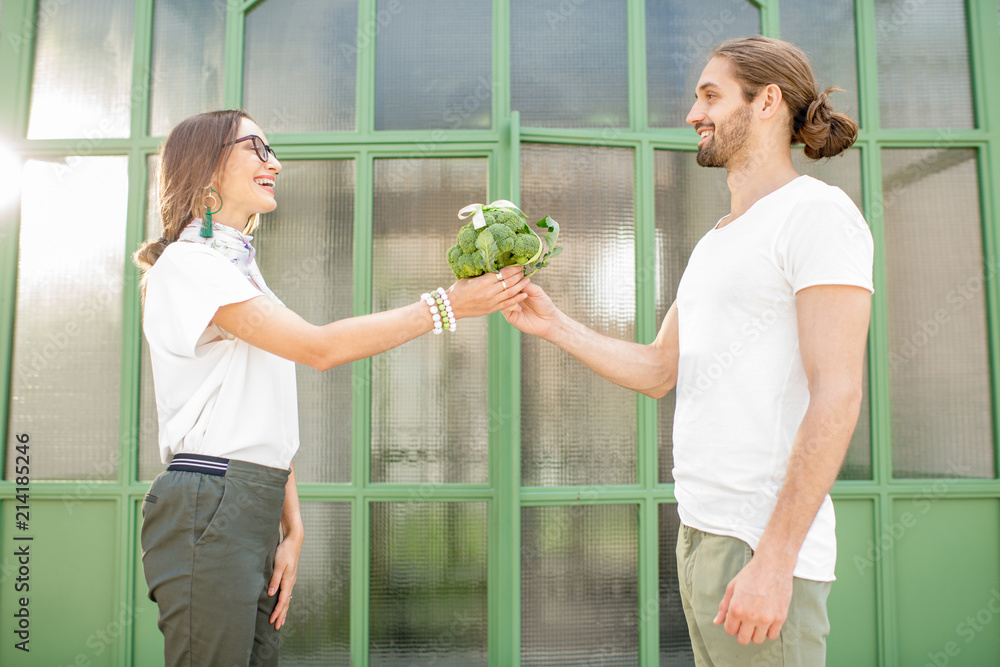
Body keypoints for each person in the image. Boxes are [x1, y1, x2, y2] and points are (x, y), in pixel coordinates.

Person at [503, 36, 873, 666]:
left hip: (761, 545)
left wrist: (775, 562)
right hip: (702, 533)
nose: (692, 113)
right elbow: (659, 370)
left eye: (710, 95)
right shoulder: (716, 241)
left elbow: (837, 393)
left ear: (768, 102)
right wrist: (557, 326)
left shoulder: (816, 215)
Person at [132, 109, 529, 667]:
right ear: (207, 167)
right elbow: (319, 349)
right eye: (256, 148)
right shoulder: (190, 265)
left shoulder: (236, 266)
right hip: (210, 498)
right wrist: (448, 305)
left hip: (247, 498)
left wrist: (289, 520)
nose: (276, 163)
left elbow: (258, 402)